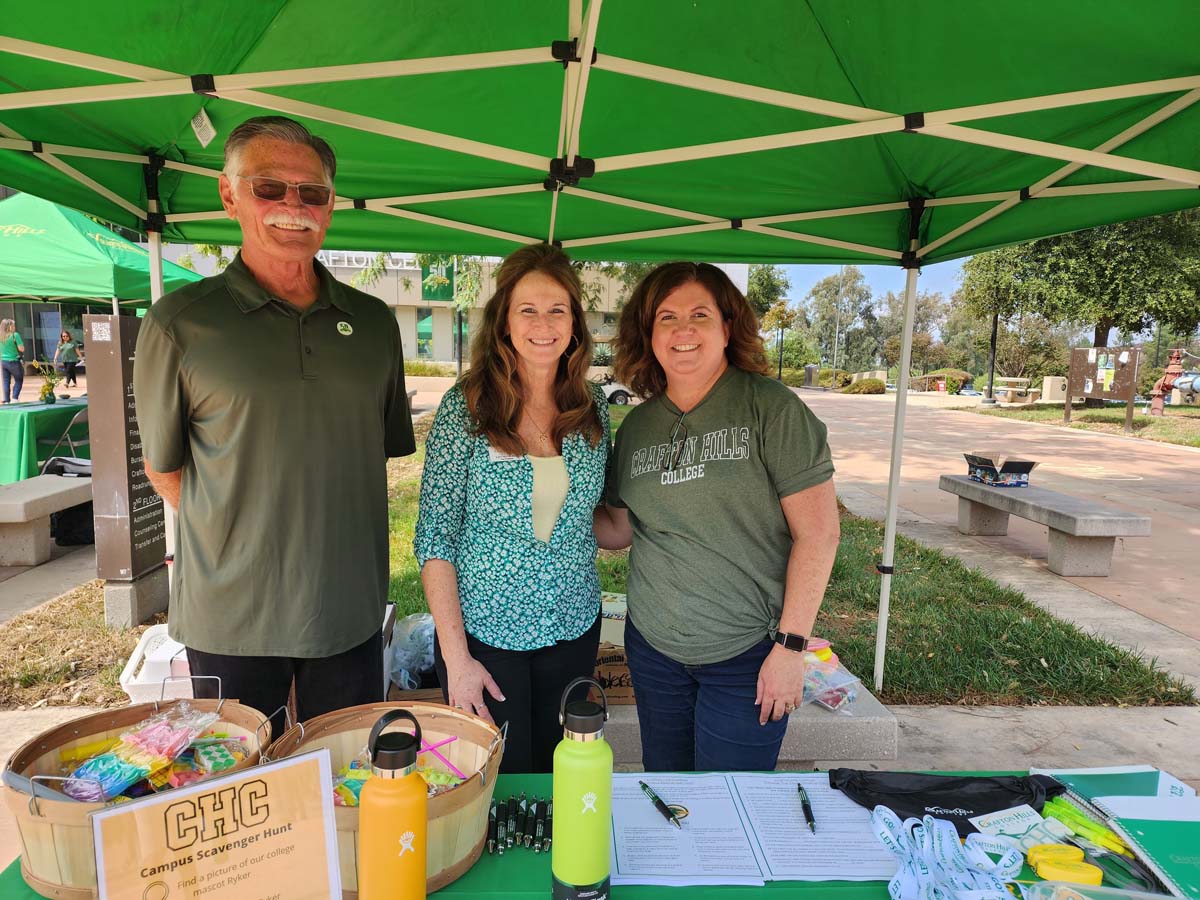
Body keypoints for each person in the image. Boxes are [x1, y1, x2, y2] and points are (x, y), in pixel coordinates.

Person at [134, 116, 415, 738]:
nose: (294, 207)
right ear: (229, 194)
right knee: (243, 804)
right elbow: (163, 466)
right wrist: (240, 542)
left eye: (311, 193)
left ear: (331, 206)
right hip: (231, 618)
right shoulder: (179, 323)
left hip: (348, 609)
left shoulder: (371, 324)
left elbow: (381, 450)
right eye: (270, 188)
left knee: (347, 782)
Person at [594, 262, 840, 772]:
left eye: (699, 315)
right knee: (669, 795)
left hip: (749, 655)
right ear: (650, 334)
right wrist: (543, 502)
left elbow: (819, 534)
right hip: (654, 650)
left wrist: (790, 650)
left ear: (727, 327)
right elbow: (618, 530)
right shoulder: (638, 425)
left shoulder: (771, 409)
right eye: (666, 317)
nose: (683, 330)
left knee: (731, 811)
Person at [414, 243, 609, 774]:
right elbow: (435, 537)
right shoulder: (468, 408)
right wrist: (457, 660)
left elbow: (595, 515)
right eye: (528, 309)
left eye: (557, 310)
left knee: (562, 771)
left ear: (574, 324)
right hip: (486, 635)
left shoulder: (591, 413)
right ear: (504, 322)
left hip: (572, 626)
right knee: (499, 779)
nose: (543, 323)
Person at [1, 318, 25, 403]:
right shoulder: (15, 335)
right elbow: (21, 349)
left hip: (3, 362)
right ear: (9, 326)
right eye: (13, 325)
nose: (14, 327)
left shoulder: (1, 336)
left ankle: (6, 400)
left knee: (6, 381)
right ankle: (15, 398)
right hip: (13, 361)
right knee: (19, 380)